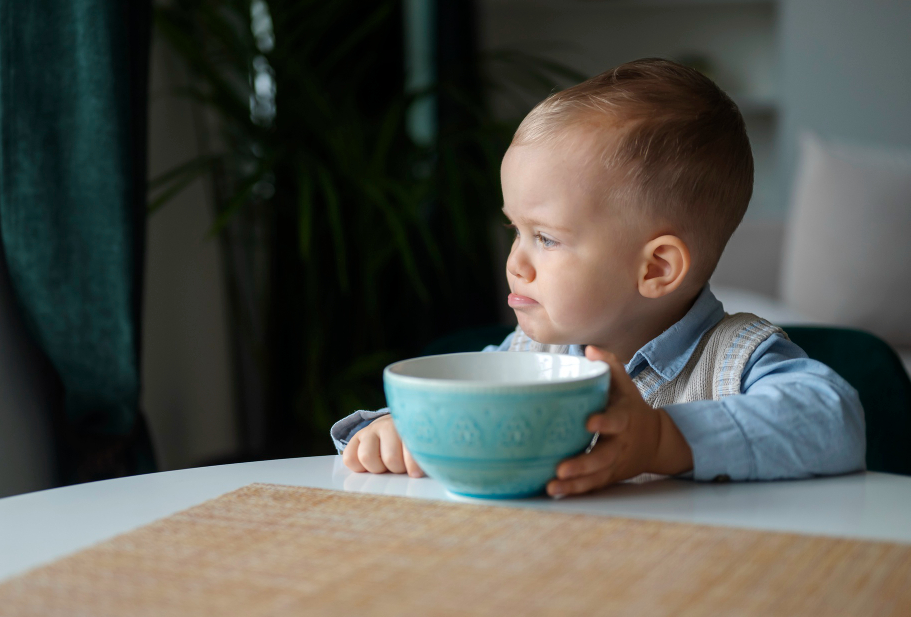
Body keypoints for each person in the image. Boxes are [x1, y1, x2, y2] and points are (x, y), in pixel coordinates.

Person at [330, 58, 865, 497]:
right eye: (515, 230)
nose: (515, 261)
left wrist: (660, 438)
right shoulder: (528, 360)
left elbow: (835, 420)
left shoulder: (734, 357)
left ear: (655, 268)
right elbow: (446, 412)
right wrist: (394, 432)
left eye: (546, 238)